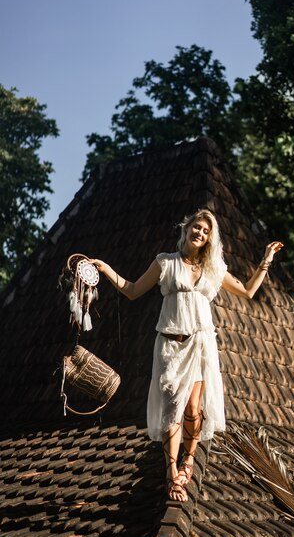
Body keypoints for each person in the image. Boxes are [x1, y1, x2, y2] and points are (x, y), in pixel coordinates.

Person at [91, 209, 283, 502]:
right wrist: (106, 270)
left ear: (209, 239)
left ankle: (188, 460)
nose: (200, 233)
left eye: (206, 231)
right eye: (197, 227)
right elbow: (131, 290)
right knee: (171, 408)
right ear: (187, 228)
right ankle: (171, 473)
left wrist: (266, 260)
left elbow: (247, 291)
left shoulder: (213, 269)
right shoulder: (165, 262)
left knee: (193, 409)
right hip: (170, 345)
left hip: (200, 344)